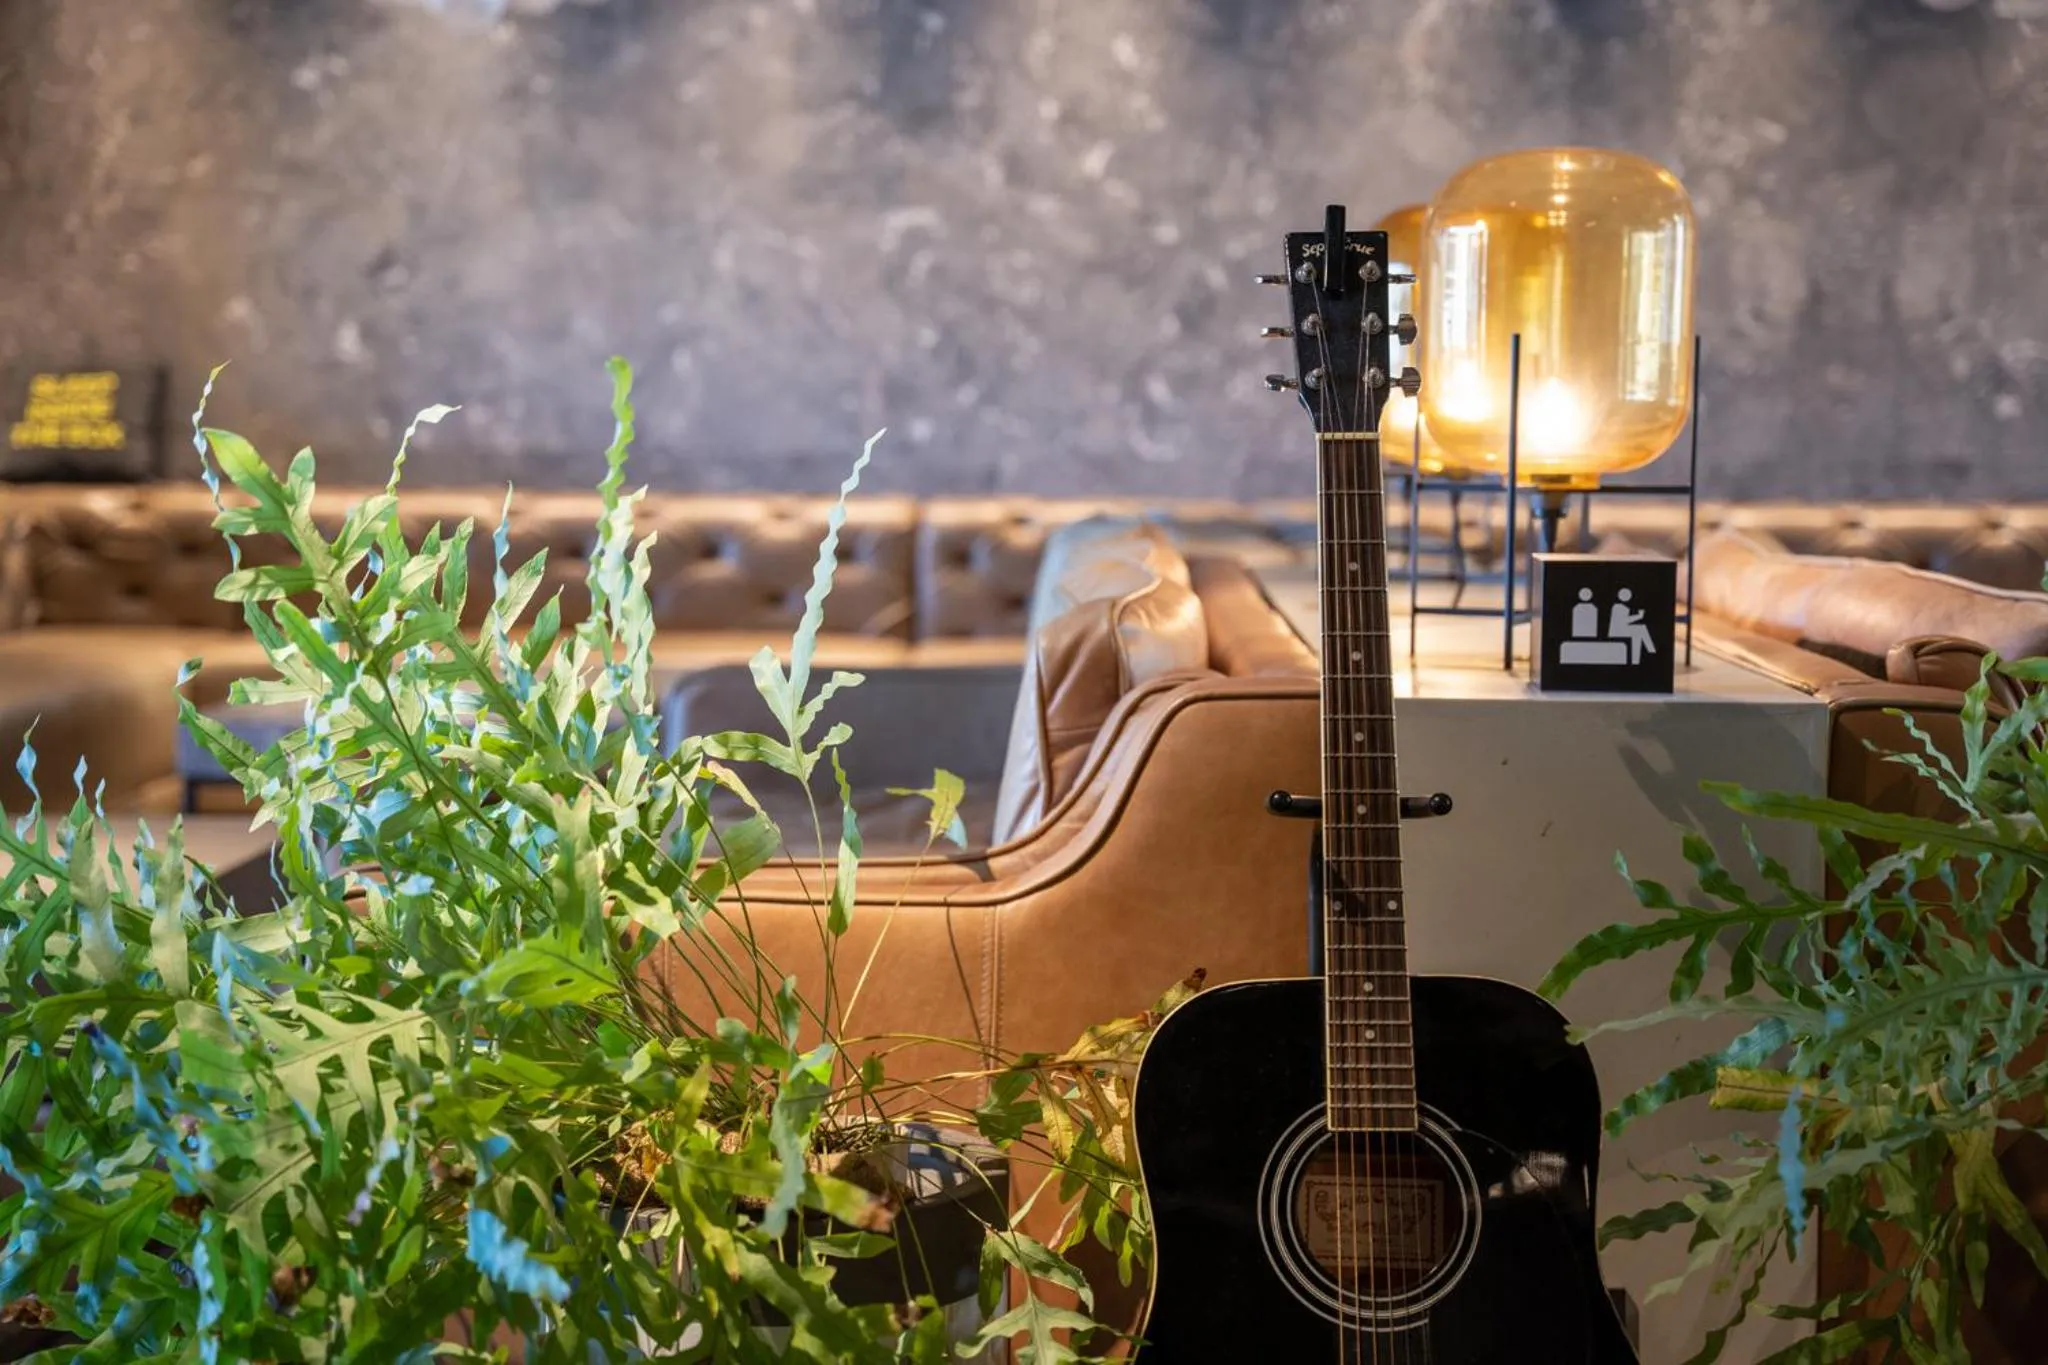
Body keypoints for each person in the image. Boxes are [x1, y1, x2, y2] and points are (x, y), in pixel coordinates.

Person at [1608, 587, 1656, 665]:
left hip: (1621, 629)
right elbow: (1623, 621)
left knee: (1640, 629)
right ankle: (1651, 650)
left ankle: (1648, 651)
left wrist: (1638, 616)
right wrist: (1639, 616)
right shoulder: (1619, 607)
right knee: (1640, 629)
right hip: (1617, 630)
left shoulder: (1622, 607)